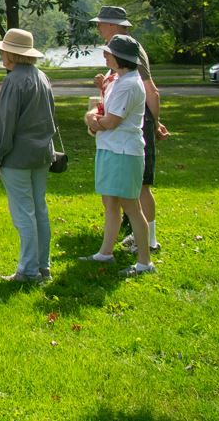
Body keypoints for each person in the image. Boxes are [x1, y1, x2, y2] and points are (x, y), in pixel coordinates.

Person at [90, 5, 170, 252]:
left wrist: (154, 123)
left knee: (140, 186)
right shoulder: (120, 54)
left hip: (133, 124)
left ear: (114, 26)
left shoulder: (126, 50)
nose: (98, 28)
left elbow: (150, 89)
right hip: (128, 119)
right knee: (128, 190)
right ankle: (134, 237)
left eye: (101, 23)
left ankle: (148, 240)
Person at [0, 28, 57, 283]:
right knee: (39, 210)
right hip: (41, 154)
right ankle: (42, 266)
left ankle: (28, 270)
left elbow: (5, 125)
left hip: (17, 156)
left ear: (12, 55)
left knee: (24, 213)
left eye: (4, 50)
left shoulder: (13, 81)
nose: (2, 54)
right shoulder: (42, 77)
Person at [82, 34, 156, 276]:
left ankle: (145, 262)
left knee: (131, 206)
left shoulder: (129, 84)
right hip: (109, 148)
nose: (104, 56)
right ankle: (106, 252)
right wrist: (94, 114)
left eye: (108, 53)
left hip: (124, 151)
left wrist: (92, 121)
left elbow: (112, 121)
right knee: (110, 202)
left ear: (120, 57)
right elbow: (103, 106)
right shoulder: (117, 79)